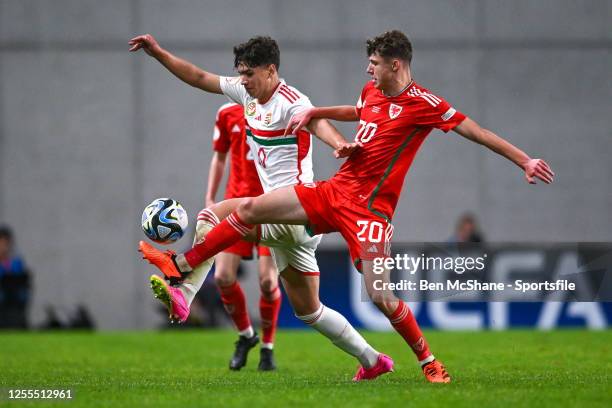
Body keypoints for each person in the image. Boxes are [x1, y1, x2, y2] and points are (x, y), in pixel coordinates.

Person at [136, 30, 555, 384]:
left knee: (381, 296)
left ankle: (429, 362)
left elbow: (475, 131)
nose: (368, 68)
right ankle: (373, 362)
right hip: (332, 193)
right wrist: (326, 119)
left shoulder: (423, 104)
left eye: (374, 62)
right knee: (305, 305)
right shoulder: (370, 91)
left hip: (370, 212)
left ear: (396, 64)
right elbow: (353, 112)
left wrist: (525, 159)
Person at [130, 34, 392, 380]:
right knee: (309, 311)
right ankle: (373, 360)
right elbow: (198, 77)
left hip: (297, 213)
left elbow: (315, 121)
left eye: (249, 73)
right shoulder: (246, 94)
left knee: (212, 215)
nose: (243, 80)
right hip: (286, 225)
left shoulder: (291, 100)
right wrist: (159, 53)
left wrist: (340, 142)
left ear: (271, 70)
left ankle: (182, 286)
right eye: (240, 73)